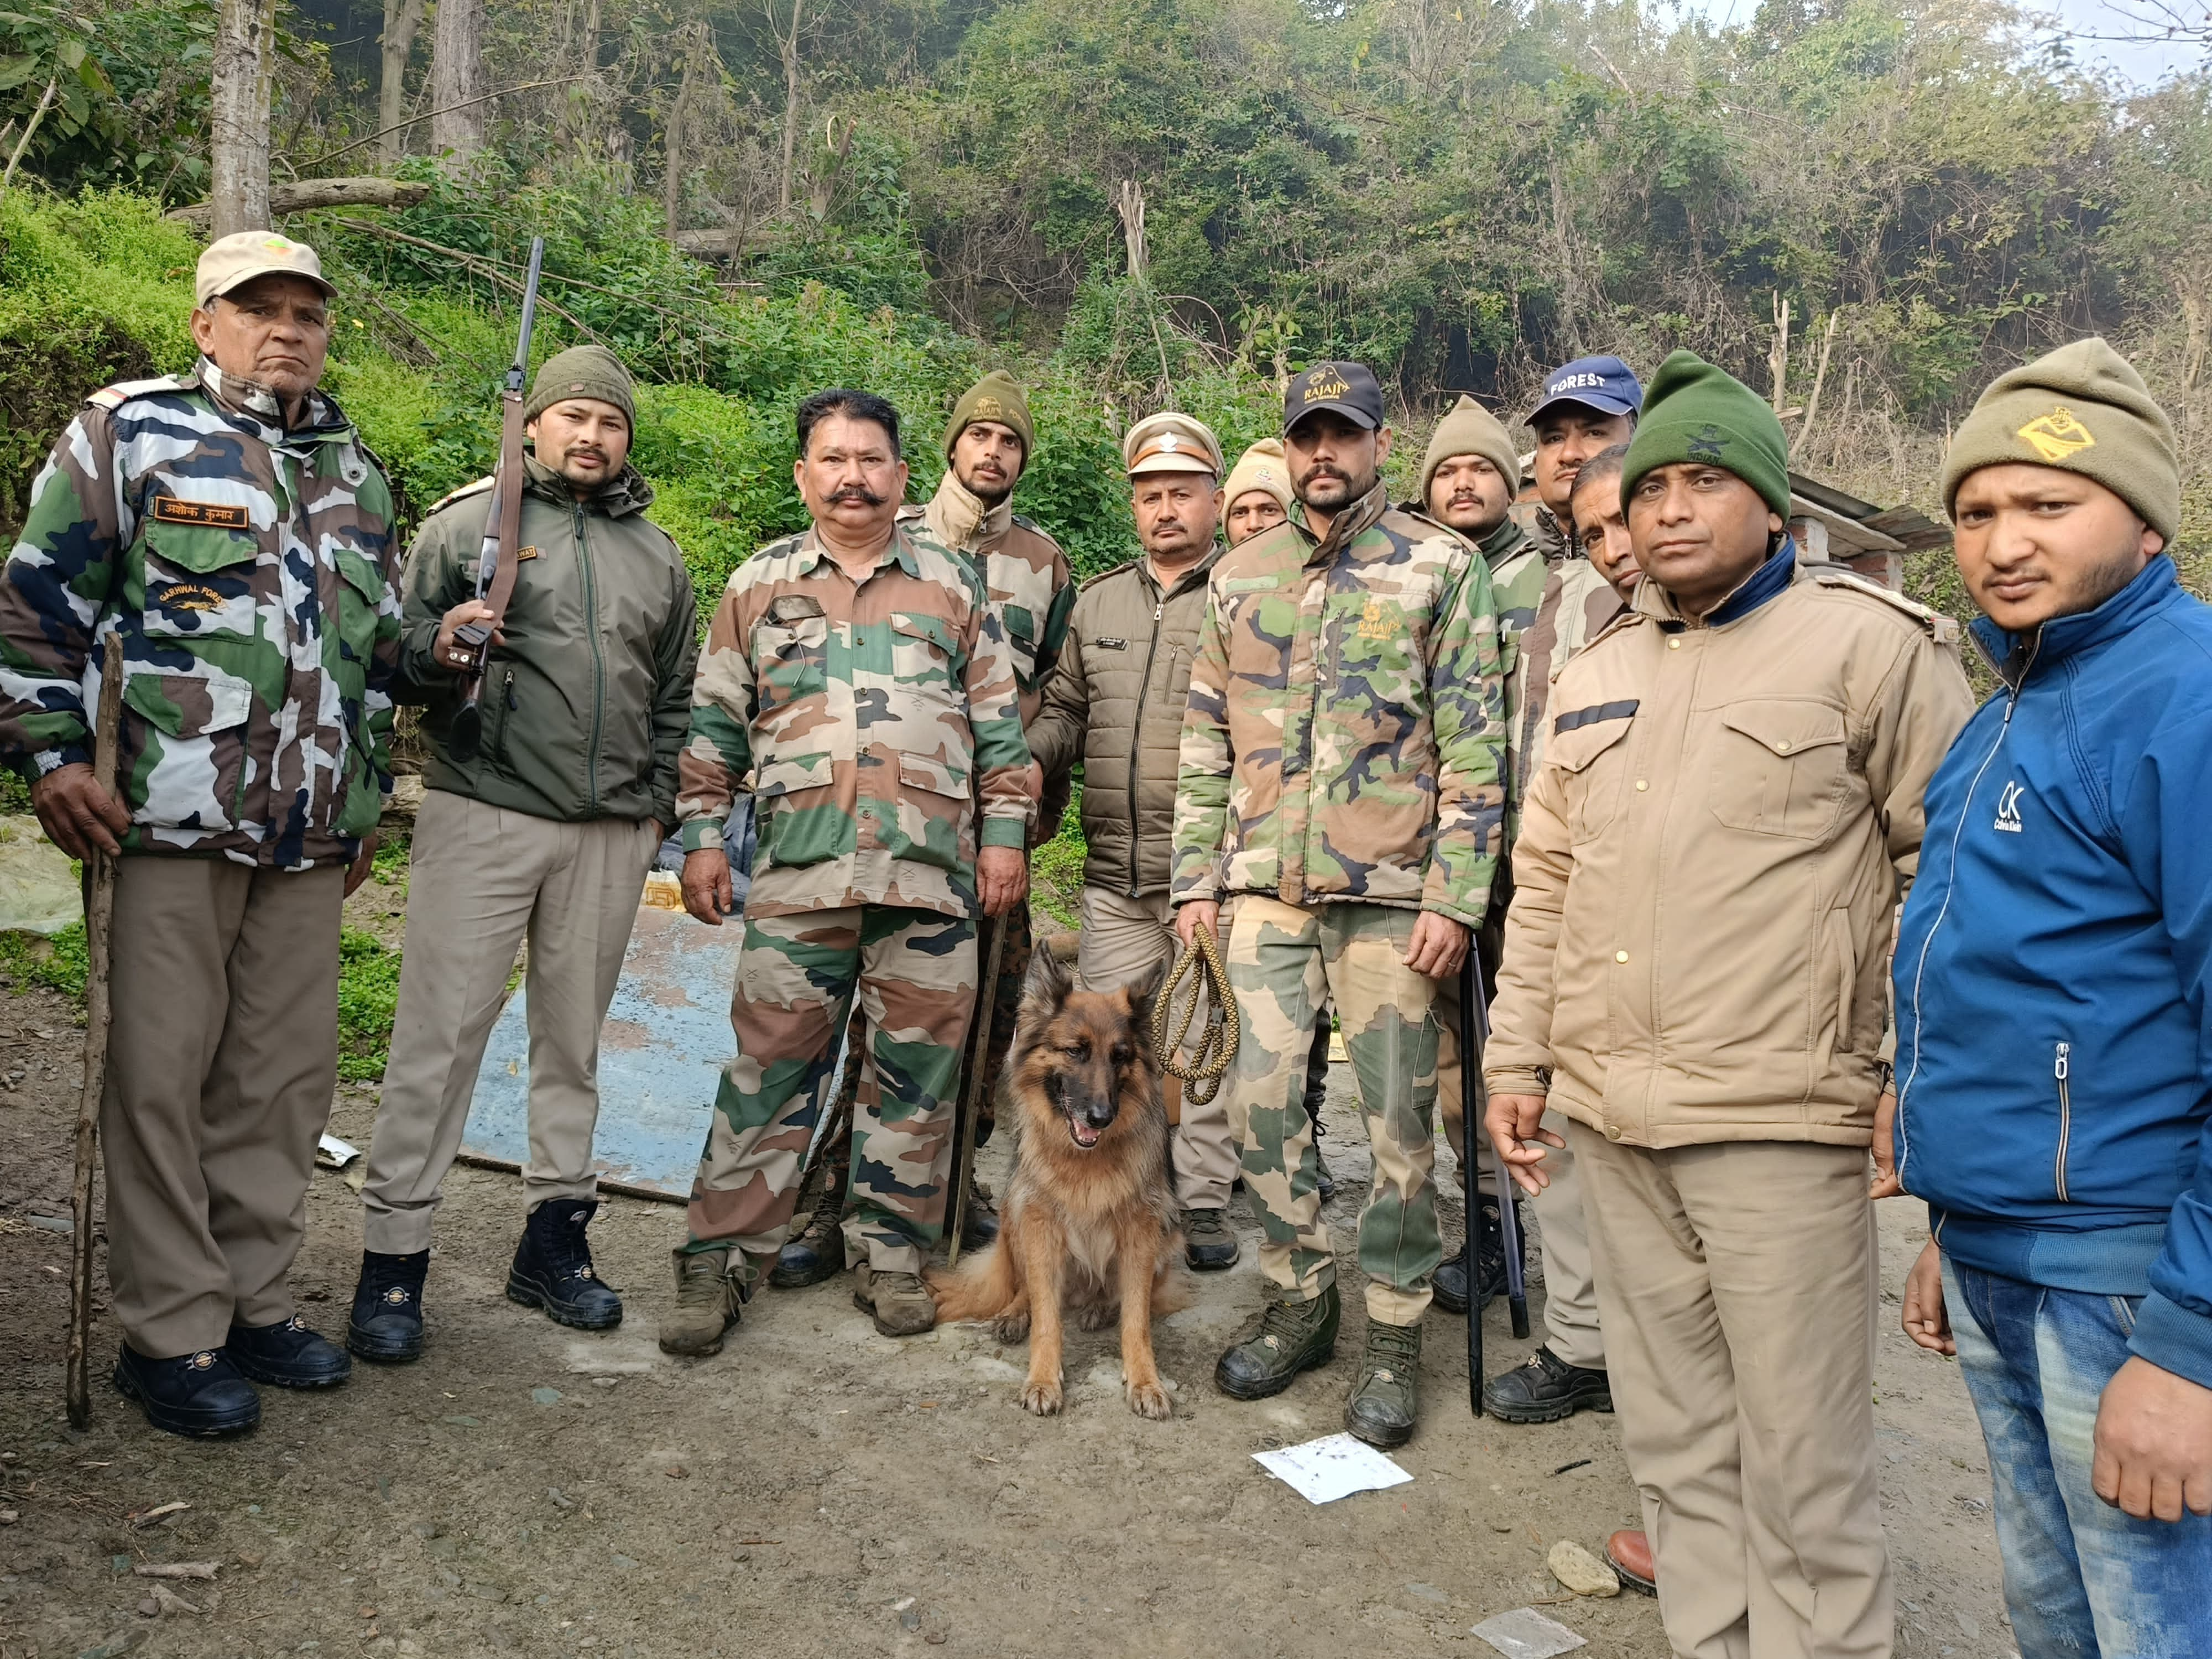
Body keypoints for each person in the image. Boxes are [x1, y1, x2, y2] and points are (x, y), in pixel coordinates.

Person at [1483, 351, 1973, 1658]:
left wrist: (1905, 1080)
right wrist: (1515, 1056)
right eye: (1651, 490)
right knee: (1677, 1443)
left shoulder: (1871, 649)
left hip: (1780, 1117)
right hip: (1612, 1117)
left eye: (1705, 480)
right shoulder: (1592, 669)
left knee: (1805, 1460)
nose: (1671, 510)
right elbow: (1544, 885)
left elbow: (1952, 882)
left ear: (1768, 503)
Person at [0, 232, 401, 1436]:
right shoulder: (128, 434)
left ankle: (257, 1298)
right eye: (259, 308)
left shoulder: (355, 469)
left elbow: (371, 661)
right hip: (167, 816)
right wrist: (56, 757)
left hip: (308, 832)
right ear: (205, 322)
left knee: (280, 1084)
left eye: (308, 313)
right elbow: (34, 607)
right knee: (161, 1081)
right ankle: (171, 1332)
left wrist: (365, 798)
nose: (287, 329)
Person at [1884, 340, 2212, 1653]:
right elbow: (2013, 987)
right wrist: (1950, 1215)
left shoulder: (2180, 698)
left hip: (2131, 1279)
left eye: (2045, 506)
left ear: (2141, 521)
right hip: (2005, 1253)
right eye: (1975, 512)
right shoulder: (2014, 694)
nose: (2001, 543)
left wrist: (2190, 1344)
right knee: (2051, 1612)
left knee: (2155, 1624)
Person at [656, 389, 1030, 1356]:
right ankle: (721, 1257)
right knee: (769, 1071)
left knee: (917, 1078)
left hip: (929, 881)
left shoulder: (953, 583)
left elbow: (998, 722)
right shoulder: (759, 584)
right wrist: (702, 834)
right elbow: (713, 726)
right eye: (833, 459)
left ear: (903, 477)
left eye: (872, 459)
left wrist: (1005, 839)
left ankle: (892, 1250)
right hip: (798, 877)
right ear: (804, 475)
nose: (853, 476)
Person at [1178, 361, 1505, 1449]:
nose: (1325, 455)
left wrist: (1456, 900)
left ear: (1376, 442)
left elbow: (1473, 746)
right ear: (1287, 446)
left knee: (1400, 1132)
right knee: (1259, 1115)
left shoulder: (1436, 568)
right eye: (1306, 437)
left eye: (1345, 435)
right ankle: (1299, 1301)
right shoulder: (1237, 577)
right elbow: (1200, 746)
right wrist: (1194, 885)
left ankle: (1396, 1335)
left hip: (1391, 903)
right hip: (1262, 895)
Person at [348, 346, 698, 1359]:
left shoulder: (657, 553)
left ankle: (554, 1242)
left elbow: (674, 692)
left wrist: (659, 805)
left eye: (611, 421)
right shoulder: (467, 524)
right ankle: (393, 1265)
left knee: (571, 1046)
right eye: (572, 417)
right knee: (436, 1043)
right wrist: (439, 646)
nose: (591, 436)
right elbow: (393, 654)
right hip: (484, 814)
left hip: (611, 831)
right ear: (534, 425)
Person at [1029, 413, 1243, 1271]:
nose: (1165, 509)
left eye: (1182, 493)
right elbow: (1069, 712)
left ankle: (1204, 1199)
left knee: (1204, 1050)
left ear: (1215, 501)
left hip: (1210, 874)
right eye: (1150, 495)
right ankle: (1124, 1192)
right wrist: (1019, 764)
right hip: (1116, 876)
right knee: (1107, 1053)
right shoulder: (1100, 600)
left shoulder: (1246, 592)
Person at [1221, 437, 1335, 1202]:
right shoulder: (1229, 593)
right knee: (1233, 1047)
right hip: (1244, 858)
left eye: (1270, 506)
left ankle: (1313, 1134)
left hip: (1343, 864)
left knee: (1312, 1040)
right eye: (1243, 510)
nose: (1257, 521)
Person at [1522, 355, 1641, 560]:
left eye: (1594, 433)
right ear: (1535, 466)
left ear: (1639, 446)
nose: (1569, 454)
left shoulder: (1672, 571)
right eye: (1554, 438)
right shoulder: (1498, 583)